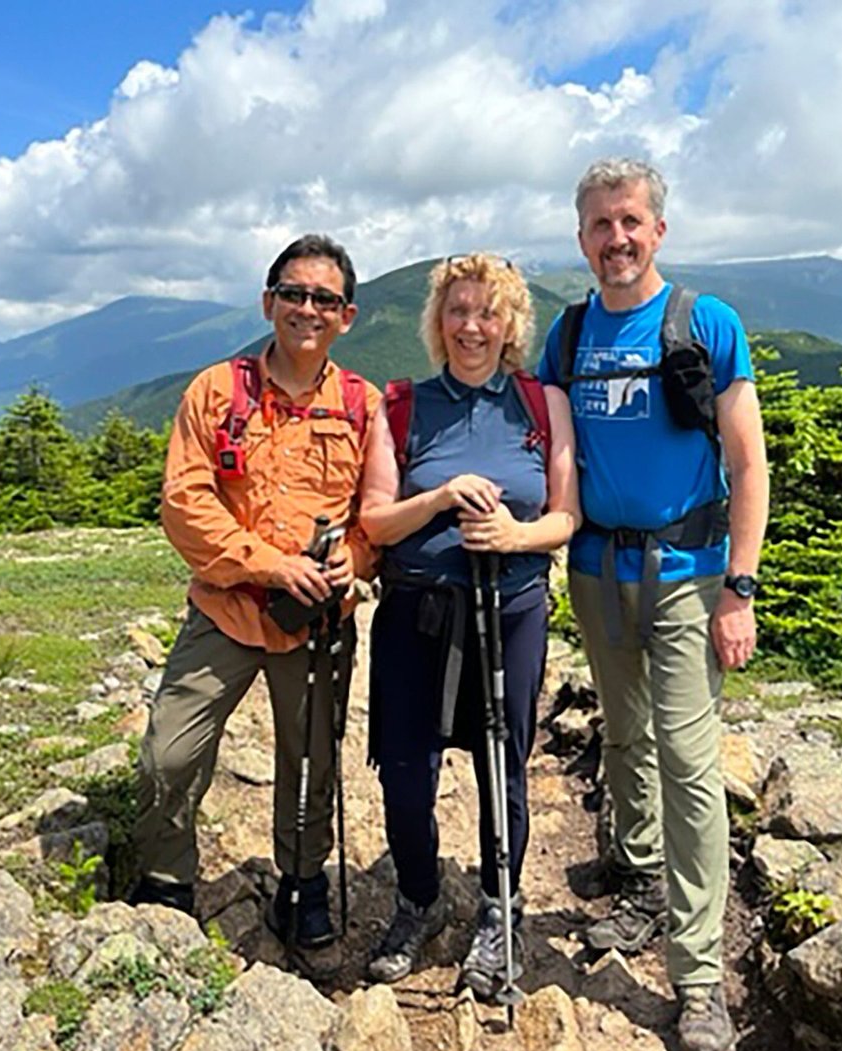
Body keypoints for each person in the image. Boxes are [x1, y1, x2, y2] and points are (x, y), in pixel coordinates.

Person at [536, 159, 769, 1051]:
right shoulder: (566, 335)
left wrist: (739, 589)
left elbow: (748, 463)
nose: (616, 239)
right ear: (582, 236)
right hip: (596, 566)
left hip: (685, 569)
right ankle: (634, 875)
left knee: (687, 753)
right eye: (599, 225)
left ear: (658, 230)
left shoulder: (706, 324)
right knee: (623, 733)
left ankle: (698, 978)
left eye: (630, 221)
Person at [130, 234, 380, 976]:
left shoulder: (362, 405)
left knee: (310, 766)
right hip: (227, 607)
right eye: (294, 294)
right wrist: (270, 566)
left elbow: (376, 515)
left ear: (347, 316)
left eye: (324, 299)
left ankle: (301, 885)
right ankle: (168, 877)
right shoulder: (217, 391)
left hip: (318, 622)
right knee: (168, 754)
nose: (308, 308)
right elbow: (185, 502)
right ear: (269, 303)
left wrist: (352, 562)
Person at [358, 253, 579, 998]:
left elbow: (565, 517)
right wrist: (443, 497)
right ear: (437, 321)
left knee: (502, 764)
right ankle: (417, 897)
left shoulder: (543, 405)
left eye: (488, 312)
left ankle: (500, 904)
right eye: (458, 311)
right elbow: (377, 521)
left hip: (510, 608)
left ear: (512, 322)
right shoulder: (402, 405)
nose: (472, 326)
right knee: (407, 769)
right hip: (416, 610)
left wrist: (516, 537)